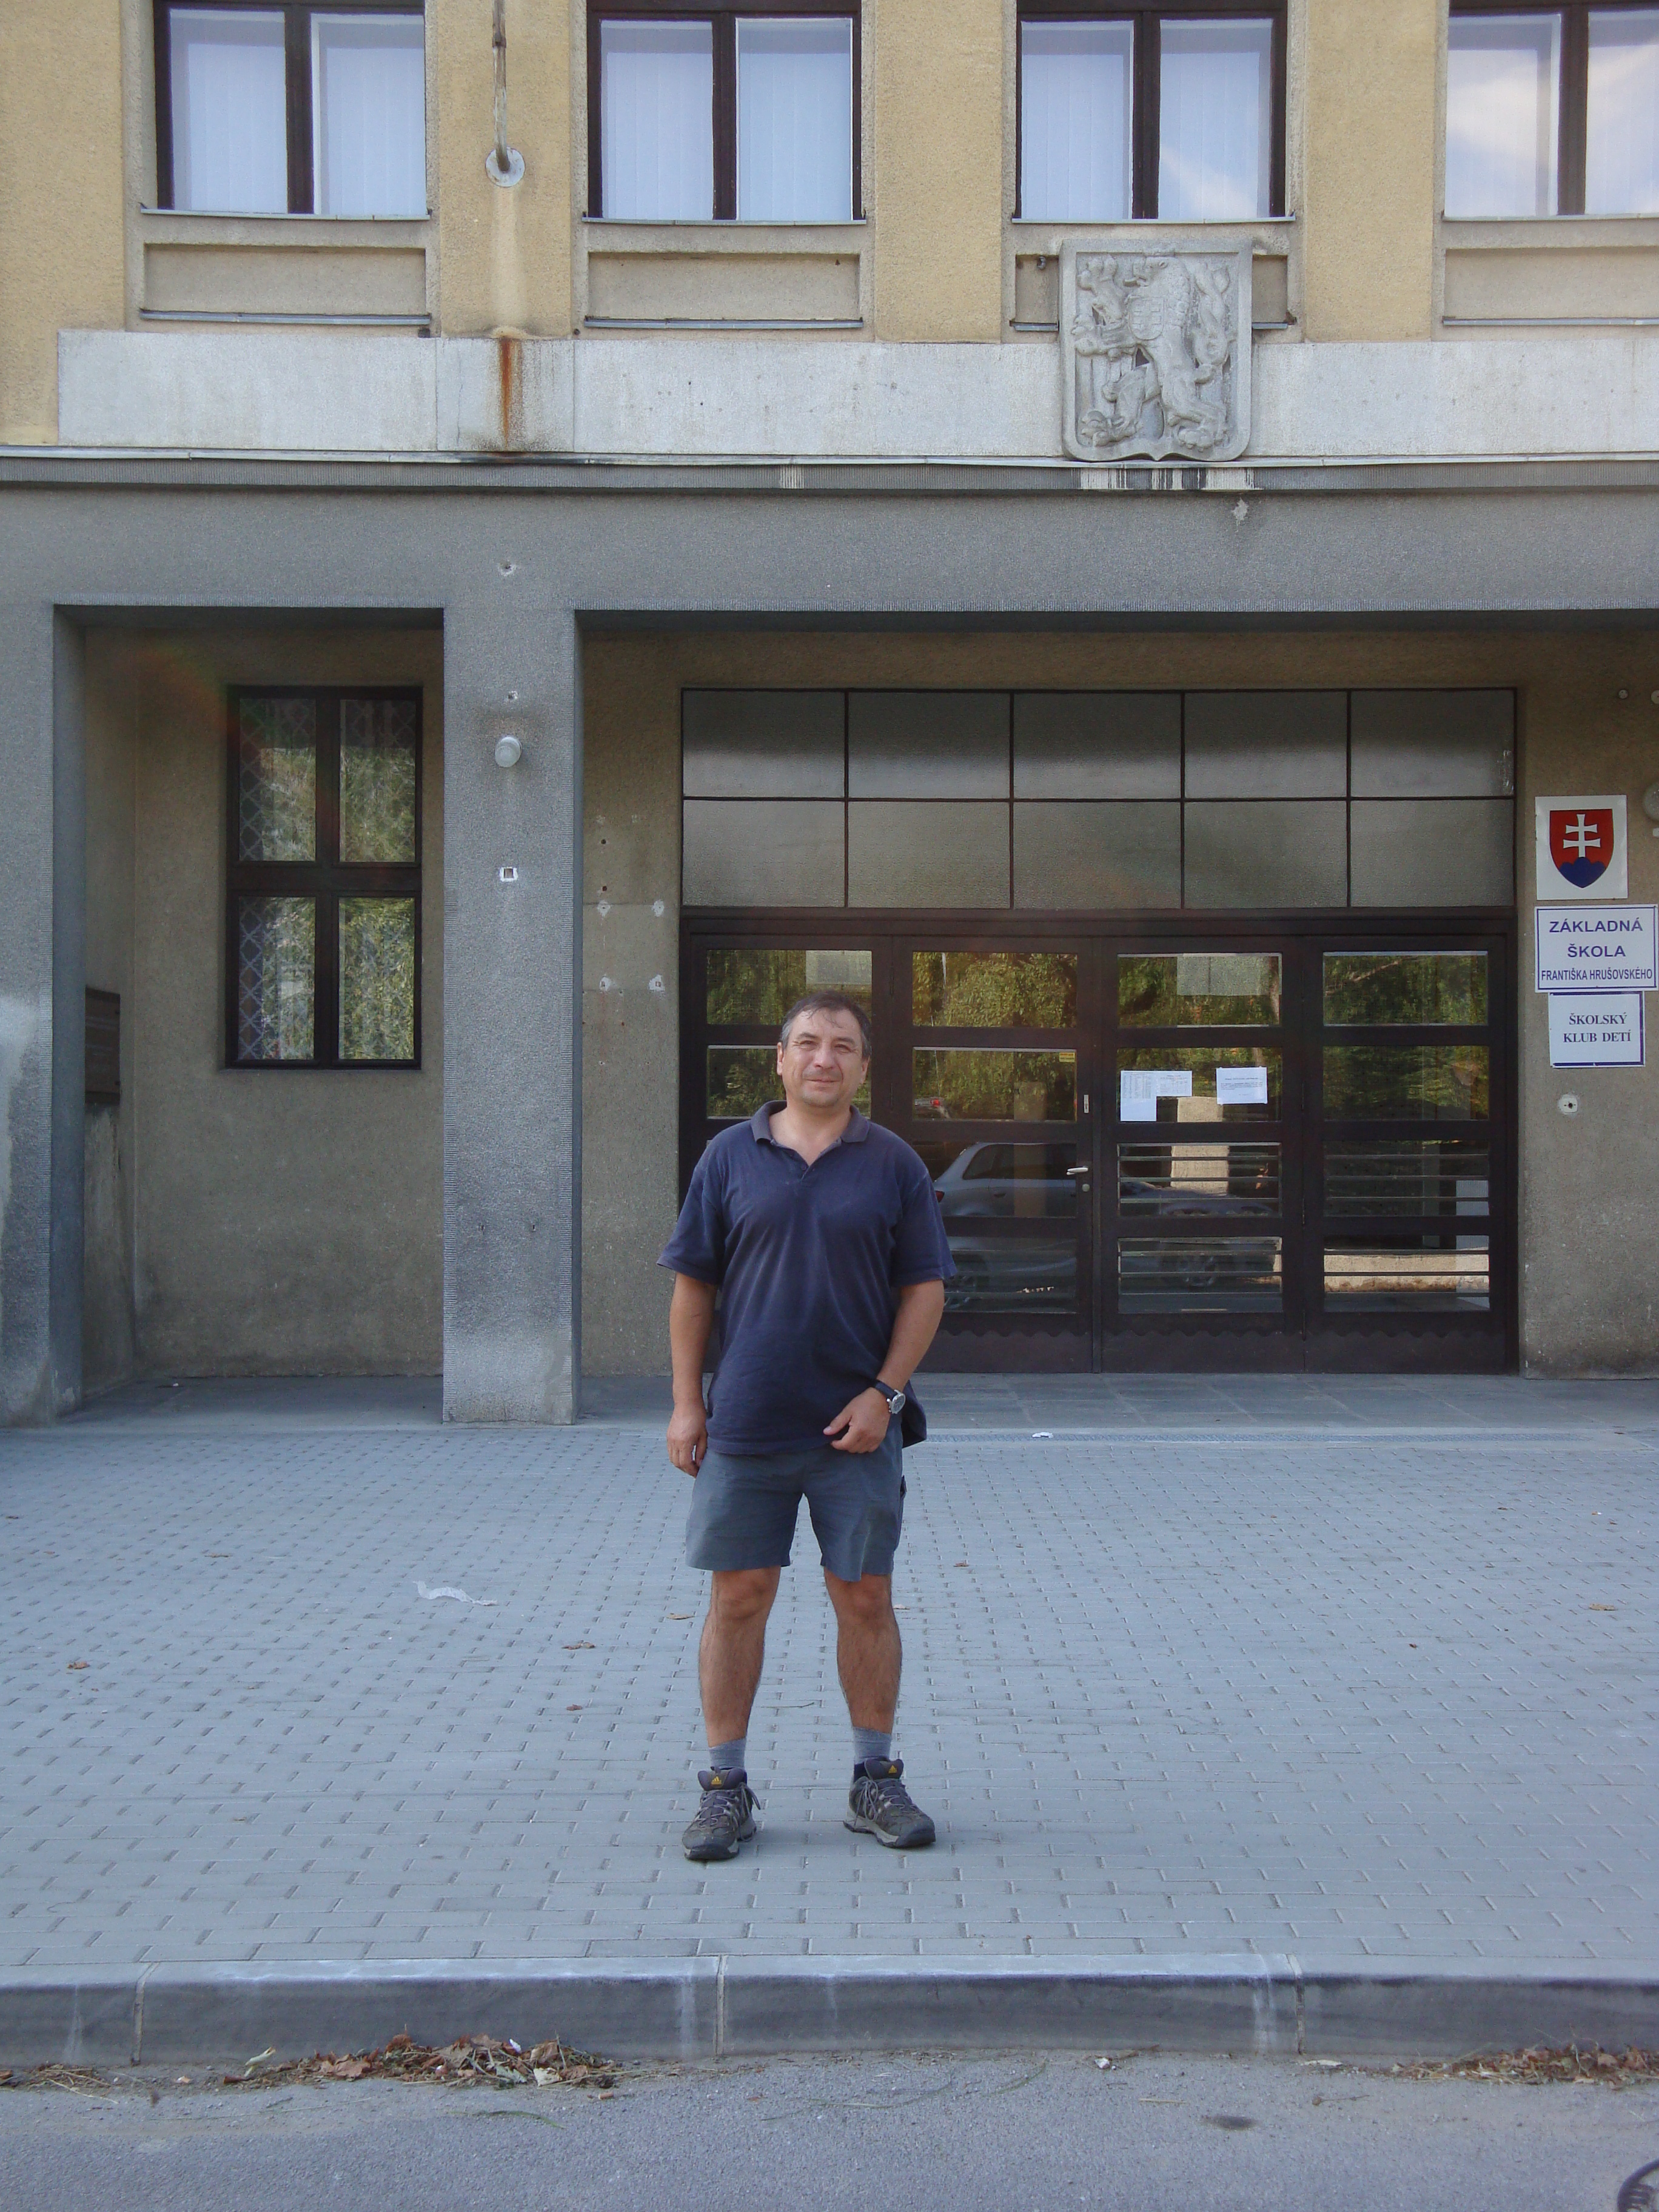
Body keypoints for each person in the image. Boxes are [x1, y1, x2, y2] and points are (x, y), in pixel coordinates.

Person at [659, 989, 953, 1863]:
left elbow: (925, 1290)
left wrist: (885, 1395)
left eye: (843, 1046)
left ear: (864, 1067)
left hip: (854, 1430)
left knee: (864, 1597)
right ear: (781, 1060)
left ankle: (874, 1779)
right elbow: (693, 1288)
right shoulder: (728, 1157)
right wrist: (686, 1402)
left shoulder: (894, 1164)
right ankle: (725, 1790)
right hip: (747, 1422)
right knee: (738, 1597)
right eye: (809, 1043)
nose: (825, 1058)